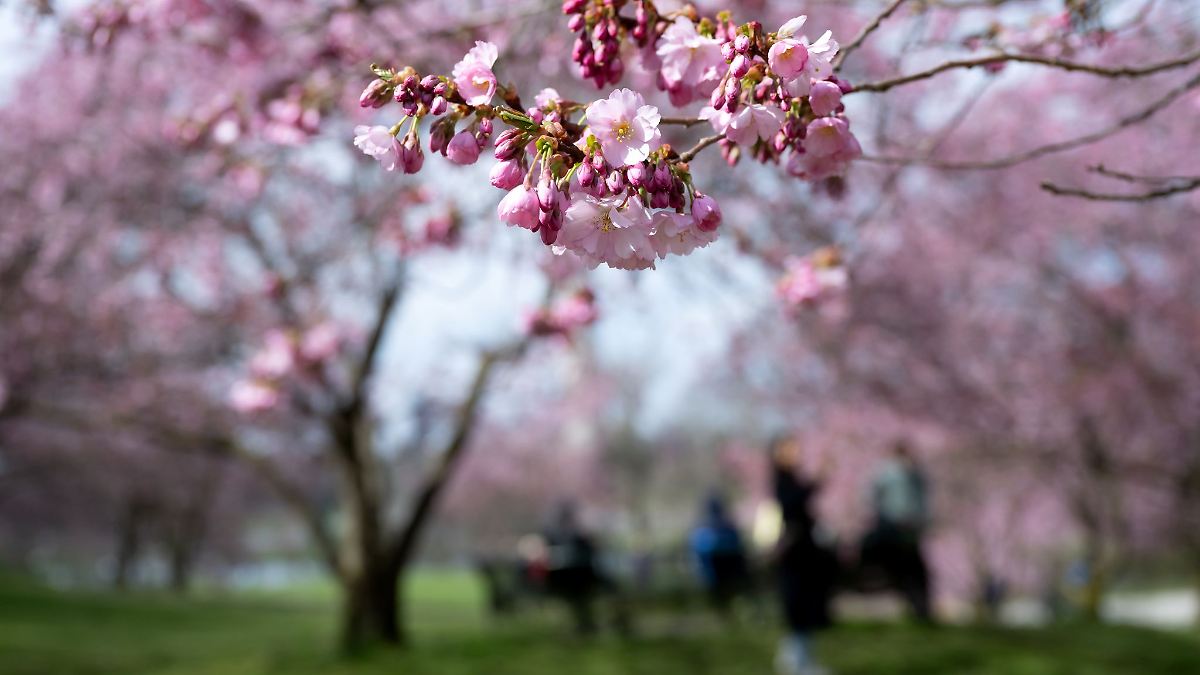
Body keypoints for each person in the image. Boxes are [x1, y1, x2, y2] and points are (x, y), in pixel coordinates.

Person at [770, 434, 837, 675]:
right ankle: (799, 661)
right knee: (798, 604)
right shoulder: (781, 479)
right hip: (795, 554)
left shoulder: (791, 478)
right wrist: (815, 481)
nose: (797, 454)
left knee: (804, 605)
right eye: (791, 450)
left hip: (803, 552)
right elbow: (791, 504)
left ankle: (797, 657)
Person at [861, 440, 933, 622]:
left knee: (909, 567)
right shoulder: (891, 472)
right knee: (909, 568)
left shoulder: (910, 474)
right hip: (896, 526)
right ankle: (917, 605)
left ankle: (918, 605)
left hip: (902, 527)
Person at [689, 493, 750, 619]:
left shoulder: (717, 526)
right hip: (720, 571)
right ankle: (726, 612)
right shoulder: (719, 526)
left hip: (722, 571)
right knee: (724, 592)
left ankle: (726, 612)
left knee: (723, 592)